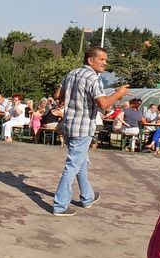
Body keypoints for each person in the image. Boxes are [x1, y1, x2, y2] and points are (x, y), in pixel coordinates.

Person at [53, 46, 129, 216]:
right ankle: (60, 205)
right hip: (83, 127)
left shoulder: (71, 73)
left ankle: (87, 197)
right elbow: (104, 104)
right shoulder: (93, 78)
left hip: (69, 125)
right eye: (101, 59)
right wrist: (119, 93)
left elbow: (58, 95)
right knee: (73, 165)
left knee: (80, 162)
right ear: (90, 60)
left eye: (105, 59)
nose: (105, 62)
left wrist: (72, 96)